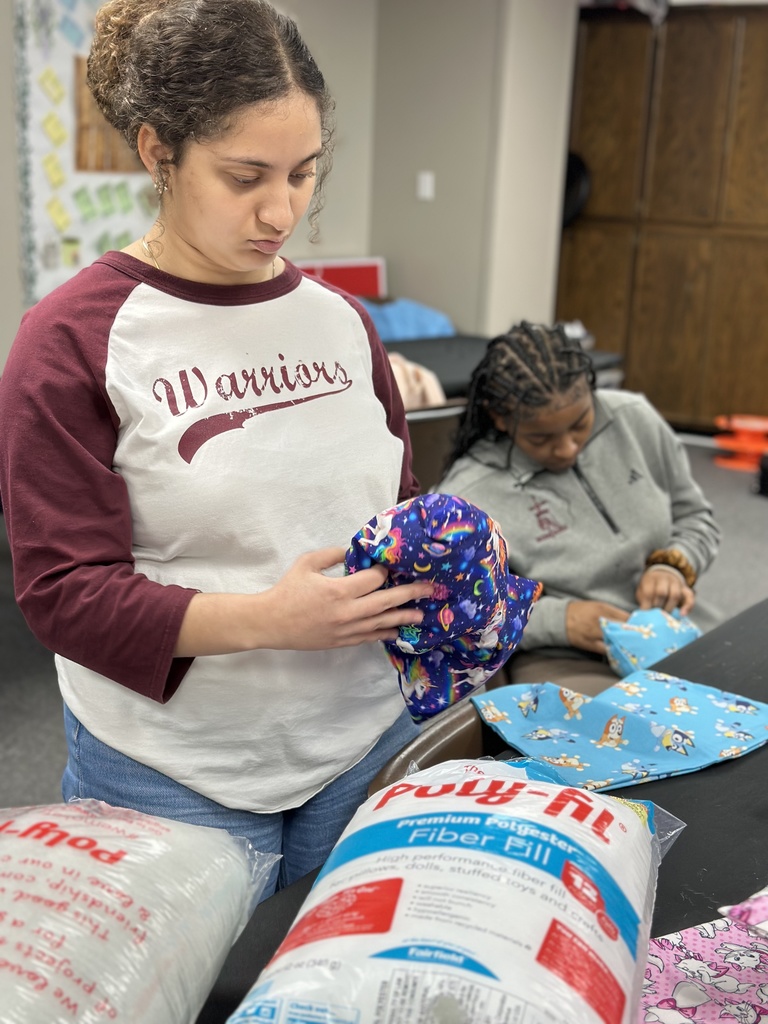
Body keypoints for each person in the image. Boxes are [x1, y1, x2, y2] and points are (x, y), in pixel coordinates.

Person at [0, 0, 435, 898]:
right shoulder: (72, 339)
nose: (281, 210)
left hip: (363, 738)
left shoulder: (342, 322)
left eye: (304, 173)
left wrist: (454, 539)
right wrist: (269, 620)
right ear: (160, 152)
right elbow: (62, 595)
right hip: (173, 769)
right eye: (245, 177)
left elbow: (393, 500)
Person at [436, 321, 721, 694]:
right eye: (541, 438)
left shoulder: (634, 418)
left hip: (674, 626)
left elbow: (695, 516)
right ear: (500, 418)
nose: (569, 449)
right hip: (568, 657)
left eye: (581, 424)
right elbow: (453, 612)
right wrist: (560, 620)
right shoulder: (465, 496)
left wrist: (674, 563)